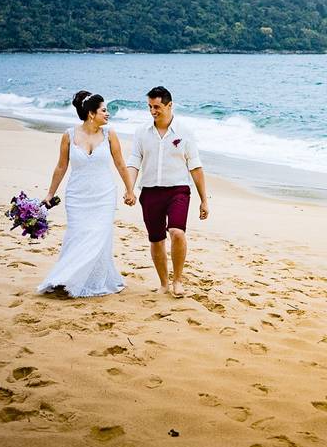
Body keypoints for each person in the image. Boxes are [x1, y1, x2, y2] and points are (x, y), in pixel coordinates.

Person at [38, 91, 136, 297]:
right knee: (78, 236)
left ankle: (85, 280)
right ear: (91, 114)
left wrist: (129, 190)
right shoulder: (69, 135)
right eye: (104, 110)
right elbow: (61, 167)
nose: (107, 114)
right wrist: (49, 194)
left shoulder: (110, 134)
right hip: (77, 195)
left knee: (98, 236)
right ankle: (66, 277)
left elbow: (120, 164)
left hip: (104, 195)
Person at [126, 86, 209, 297]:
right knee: (156, 240)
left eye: (157, 107)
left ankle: (178, 281)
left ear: (170, 105)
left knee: (177, 232)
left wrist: (204, 200)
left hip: (178, 190)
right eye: (150, 107)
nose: (153, 111)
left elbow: (195, 166)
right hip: (150, 191)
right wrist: (129, 189)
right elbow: (135, 161)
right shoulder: (141, 132)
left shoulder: (185, 132)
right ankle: (164, 283)